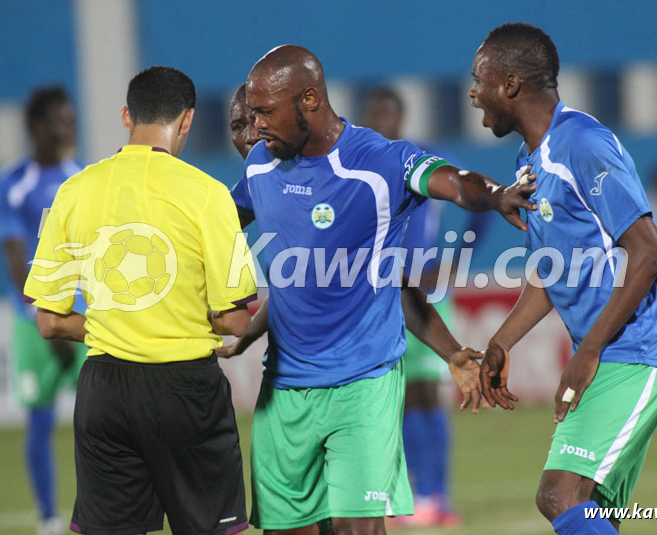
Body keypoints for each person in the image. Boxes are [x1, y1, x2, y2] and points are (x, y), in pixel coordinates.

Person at [229, 45, 536, 535]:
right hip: (283, 390)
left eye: (266, 112)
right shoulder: (260, 168)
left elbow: (453, 183)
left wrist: (496, 194)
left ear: (309, 99)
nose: (257, 126)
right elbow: (216, 230)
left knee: (360, 530)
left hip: (362, 383)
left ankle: (437, 493)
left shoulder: (378, 162)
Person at [473, 23, 657, 534]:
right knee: (592, 511)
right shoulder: (529, 160)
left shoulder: (583, 144)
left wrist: (587, 352)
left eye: (478, 78)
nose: (472, 91)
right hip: (612, 351)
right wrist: (501, 342)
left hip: (637, 348)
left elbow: (649, 252)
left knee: (559, 493)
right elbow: (550, 272)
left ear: (509, 84)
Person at [23, 66, 257, 535]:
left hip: (104, 392)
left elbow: (48, 322)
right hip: (187, 390)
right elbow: (235, 319)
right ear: (187, 120)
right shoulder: (207, 194)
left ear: (127, 116)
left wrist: (116, 324)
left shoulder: (74, 191)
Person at [361, 87, 461, 528]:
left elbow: (471, 201)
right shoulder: (361, 164)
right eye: (376, 114)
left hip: (428, 290)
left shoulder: (425, 159)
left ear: (401, 117)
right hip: (384, 291)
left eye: (390, 114)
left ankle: (436, 496)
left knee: (426, 394)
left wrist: (454, 259)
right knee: (394, 399)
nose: (384, 122)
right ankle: (401, 494)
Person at [0, 85, 85, 535]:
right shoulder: (11, 184)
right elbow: (14, 259)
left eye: (71, 119)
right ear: (36, 127)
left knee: (99, 415)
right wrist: (43, 318)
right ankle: (48, 518)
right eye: (61, 120)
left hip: (80, 313)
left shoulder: (80, 178)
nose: (70, 127)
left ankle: (99, 509)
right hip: (32, 320)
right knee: (40, 419)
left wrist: (73, 318)